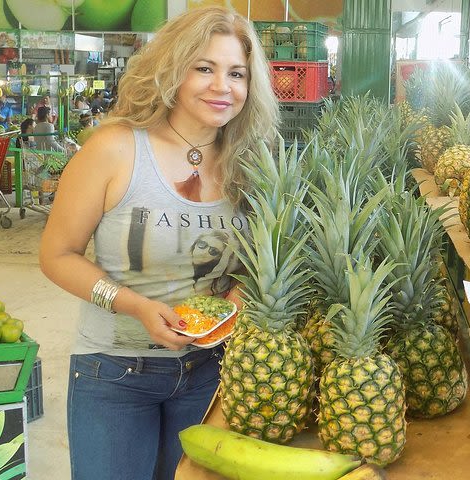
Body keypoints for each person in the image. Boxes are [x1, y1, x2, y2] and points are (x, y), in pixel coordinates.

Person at [38, 6, 278, 480]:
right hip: (115, 373)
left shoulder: (252, 162)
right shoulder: (115, 148)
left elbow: (261, 256)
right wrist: (135, 306)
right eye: (204, 68)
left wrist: (240, 295)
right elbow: (57, 255)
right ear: (173, 69)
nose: (221, 86)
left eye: (237, 73)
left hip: (213, 371)